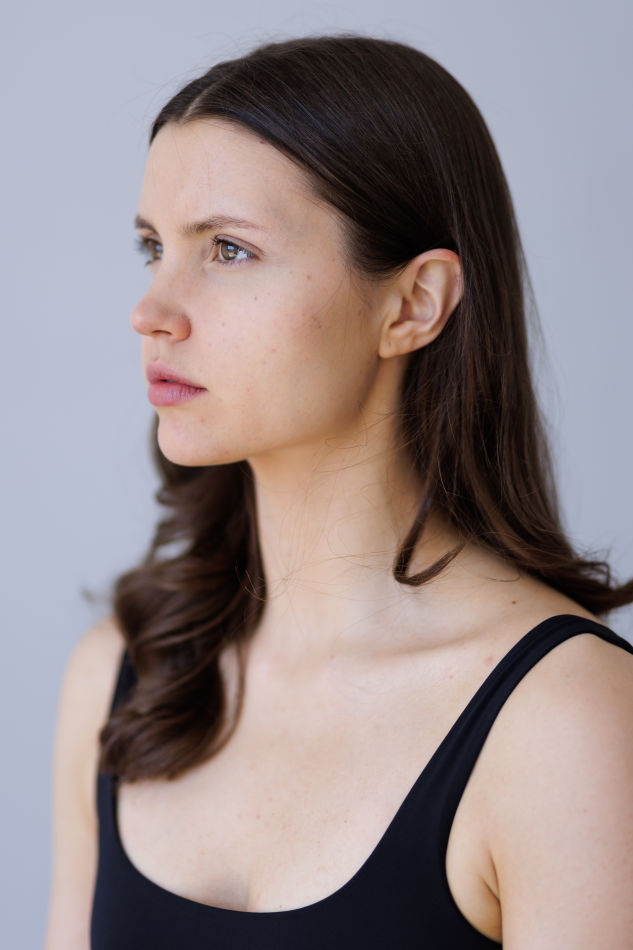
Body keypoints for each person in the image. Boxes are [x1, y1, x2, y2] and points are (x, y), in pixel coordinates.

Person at [45, 35, 633, 949]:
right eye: (153, 247)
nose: (151, 310)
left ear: (413, 304)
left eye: (228, 249)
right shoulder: (124, 674)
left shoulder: (567, 722)